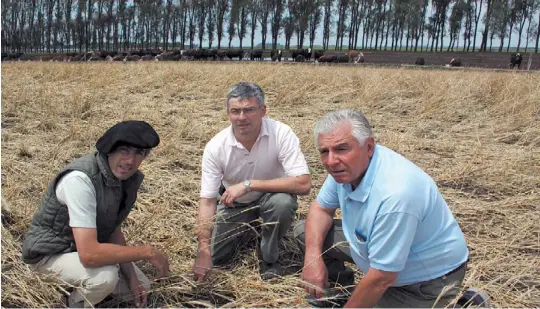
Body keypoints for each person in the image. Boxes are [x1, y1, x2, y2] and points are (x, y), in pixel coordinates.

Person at [294, 109, 470, 308]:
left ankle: (467, 303)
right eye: (324, 151)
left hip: (425, 280)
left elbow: (382, 277)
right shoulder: (348, 168)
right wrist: (312, 258)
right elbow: (320, 209)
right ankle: (339, 291)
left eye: (342, 148)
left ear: (369, 147)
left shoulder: (396, 193)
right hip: (375, 252)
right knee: (305, 231)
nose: (330, 161)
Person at [21, 120, 170, 308]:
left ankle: (82, 286)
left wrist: (132, 277)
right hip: (49, 255)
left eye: (138, 153)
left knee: (140, 288)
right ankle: (72, 303)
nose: (130, 161)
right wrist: (147, 252)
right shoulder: (80, 180)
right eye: (124, 150)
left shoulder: (124, 179)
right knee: (104, 277)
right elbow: (89, 255)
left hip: (80, 248)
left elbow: (112, 229)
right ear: (109, 149)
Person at [193, 82, 312, 282]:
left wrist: (249, 184)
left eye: (249, 110)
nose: (242, 118)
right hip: (235, 205)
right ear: (228, 113)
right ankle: (252, 228)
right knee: (217, 259)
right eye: (235, 111)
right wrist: (203, 249)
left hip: (271, 198)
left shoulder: (281, 133)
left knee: (281, 203)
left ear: (263, 110)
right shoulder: (216, 146)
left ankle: (269, 257)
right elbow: (207, 201)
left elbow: (304, 184)